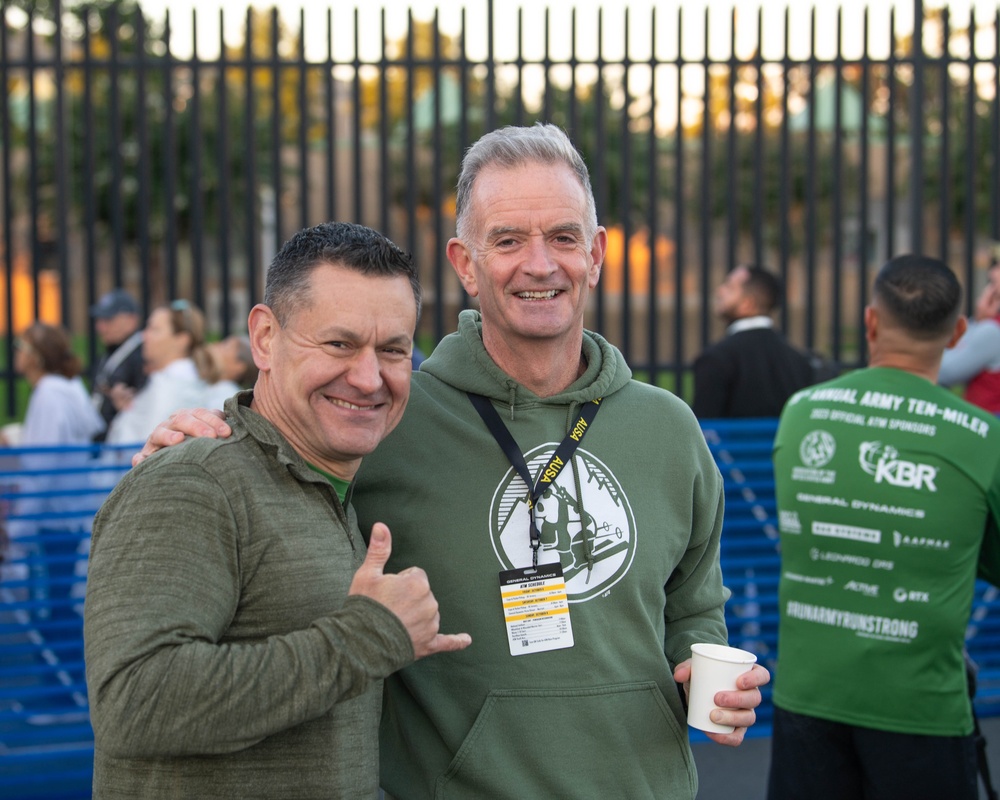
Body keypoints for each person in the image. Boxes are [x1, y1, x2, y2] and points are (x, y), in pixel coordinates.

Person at [137, 123, 769, 800]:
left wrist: (703, 671)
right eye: (507, 240)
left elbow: (695, 601)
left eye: (562, 236)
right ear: (465, 263)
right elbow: (264, 484)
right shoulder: (382, 418)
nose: (540, 264)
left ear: (597, 253)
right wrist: (188, 445)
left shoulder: (669, 427)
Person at [84, 221, 471, 799]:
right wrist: (367, 637)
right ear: (265, 339)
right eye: (339, 344)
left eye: (392, 350)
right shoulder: (193, 481)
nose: (369, 378)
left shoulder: (337, 483)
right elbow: (134, 701)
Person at [768, 254, 1000, 800]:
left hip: (807, 695)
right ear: (958, 332)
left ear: (871, 322)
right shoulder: (982, 437)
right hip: (921, 706)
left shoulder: (802, 411)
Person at [3, 323, 105, 618]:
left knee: (52, 609)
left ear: (35, 356)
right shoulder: (68, 387)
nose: (16, 355)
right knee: (59, 600)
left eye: (21, 348)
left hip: (53, 517)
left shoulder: (48, 395)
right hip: (68, 514)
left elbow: (40, 468)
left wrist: (17, 530)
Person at [692, 264, 816, 418]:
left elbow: (701, 430)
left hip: (733, 442)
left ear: (747, 304)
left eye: (729, 287)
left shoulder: (715, 359)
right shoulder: (799, 361)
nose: (719, 291)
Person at [104, 299, 212, 449]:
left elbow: (141, 449)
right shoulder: (174, 381)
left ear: (182, 340)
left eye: (154, 329)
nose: (144, 336)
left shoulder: (170, 388)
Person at [939, 259, 1000, 414]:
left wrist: (978, 323)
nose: (992, 271)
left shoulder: (992, 331)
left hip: (987, 424)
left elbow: (945, 371)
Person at [89, 288, 147, 441]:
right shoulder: (111, 351)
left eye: (108, 320)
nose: (100, 327)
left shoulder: (141, 356)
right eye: (99, 320)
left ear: (131, 320)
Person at [203, 334, 258, 408]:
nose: (217, 345)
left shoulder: (226, 395)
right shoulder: (210, 383)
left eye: (226, 347)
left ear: (239, 366)